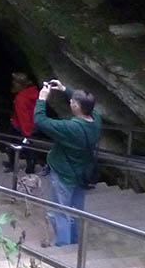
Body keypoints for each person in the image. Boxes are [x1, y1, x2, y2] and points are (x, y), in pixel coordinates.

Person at [33, 79, 102, 247]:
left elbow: (40, 121)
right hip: (82, 173)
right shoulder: (96, 120)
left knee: (61, 211)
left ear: (76, 107)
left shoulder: (71, 128)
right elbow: (86, 104)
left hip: (64, 173)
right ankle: (75, 241)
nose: (70, 102)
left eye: (72, 102)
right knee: (76, 211)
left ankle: (63, 245)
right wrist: (64, 90)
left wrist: (42, 98)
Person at [6, 72, 39, 173]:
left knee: (13, 145)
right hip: (33, 122)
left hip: (20, 125)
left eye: (15, 82)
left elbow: (23, 116)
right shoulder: (33, 92)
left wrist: (26, 133)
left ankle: (15, 165)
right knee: (27, 145)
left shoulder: (21, 99)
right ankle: (28, 164)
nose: (13, 83)